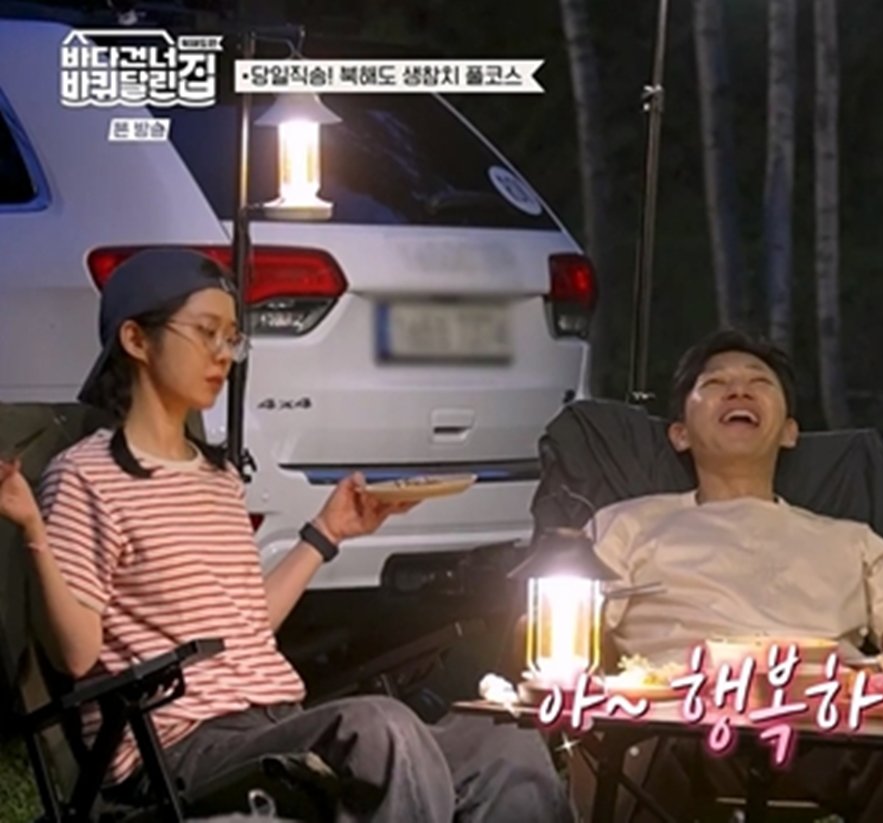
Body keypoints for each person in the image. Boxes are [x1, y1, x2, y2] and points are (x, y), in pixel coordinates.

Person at [0, 249, 570, 822]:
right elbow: (76, 655)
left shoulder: (217, 477)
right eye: (205, 332)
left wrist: (327, 532)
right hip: (182, 749)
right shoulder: (85, 477)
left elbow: (247, 624)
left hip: (275, 722)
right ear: (135, 339)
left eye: (232, 338)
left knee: (505, 746)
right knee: (380, 728)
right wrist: (32, 529)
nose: (223, 354)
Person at [568, 328, 883, 822]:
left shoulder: (852, 540)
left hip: (826, 720)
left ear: (789, 431)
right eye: (715, 384)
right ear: (680, 434)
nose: (739, 391)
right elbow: (563, 629)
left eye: (759, 382)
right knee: (649, 746)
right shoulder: (625, 525)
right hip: (685, 718)